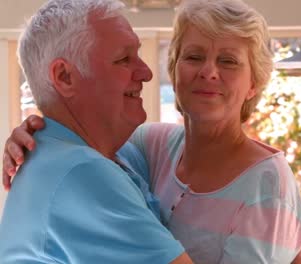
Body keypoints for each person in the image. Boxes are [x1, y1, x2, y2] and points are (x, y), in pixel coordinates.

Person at [2, 0, 301, 263]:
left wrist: (48, 133)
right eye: (193, 57)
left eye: (228, 61)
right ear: (175, 70)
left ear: (254, 84)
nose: (209, 72)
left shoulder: (267, 182)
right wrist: (36, 133)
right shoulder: (150, 147)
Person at [0, 0, 192, 263]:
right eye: (124, 59)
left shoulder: (113, 154)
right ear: (65, 77)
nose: (146, 73)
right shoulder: (80, 170)